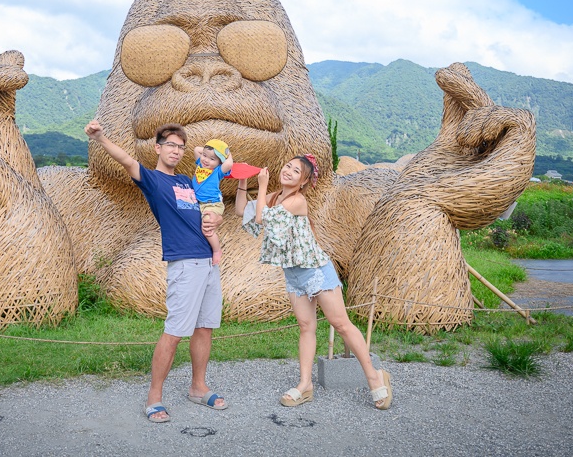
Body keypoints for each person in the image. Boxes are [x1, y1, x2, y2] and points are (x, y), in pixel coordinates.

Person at [85, 120, 228, 422]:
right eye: (171, 145)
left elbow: (210, 206)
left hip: (208, 262)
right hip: (184, 262)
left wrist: (217, 222)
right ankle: (154, 397)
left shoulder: (189, 182)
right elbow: (125, 159)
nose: (176, 150)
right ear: (159, 148)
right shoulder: (152, 180)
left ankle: (198, 387)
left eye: (181, 146)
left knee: (204, 328)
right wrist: (101, 137)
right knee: (175, 331)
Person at [236, 155, 393, 410]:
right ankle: (305, 384)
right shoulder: (275, 198)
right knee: (306, 327)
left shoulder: (297, 201)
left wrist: (261, 185)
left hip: (316, 271)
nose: (288, 171)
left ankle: (375, 376)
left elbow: (263, 217)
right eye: (287, 166)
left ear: (304, 180)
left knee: (340, 324)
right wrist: (243, 183)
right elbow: (242, 211)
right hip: (294, 274)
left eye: (295, 171)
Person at [192, 139, 234, 266]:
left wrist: (226, 153)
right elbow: (196, 149)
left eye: (212, 159)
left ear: (219, 162)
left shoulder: (218, 171)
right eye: (204, 155)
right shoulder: (200, 165)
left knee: (207, 228)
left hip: (212, 204)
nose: (206, 160)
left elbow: (229, 163)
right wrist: (211, 148)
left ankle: (217, 250)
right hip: (200, 203)